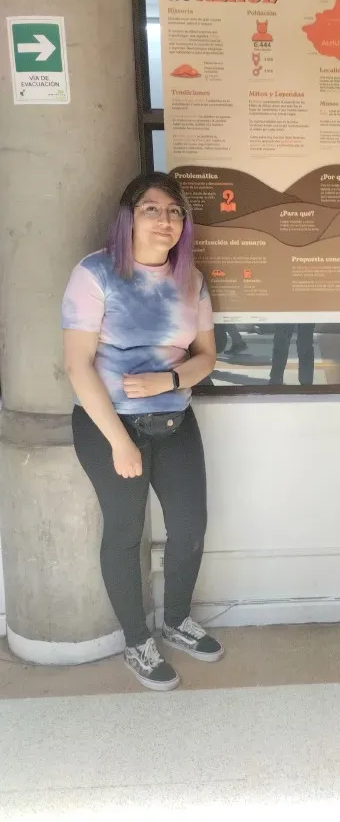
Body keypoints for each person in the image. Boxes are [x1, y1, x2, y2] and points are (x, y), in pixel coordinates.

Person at [62, 172, 224, 692]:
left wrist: (169, 380)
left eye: (175, 211)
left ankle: (176, 619)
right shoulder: (95, 273)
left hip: (175, 419)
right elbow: (77, 365)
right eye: (152, 209)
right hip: (109, 425)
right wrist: (119, 441)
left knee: (191, 526)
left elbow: (207, 357)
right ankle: (137, 639)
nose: (165, 220)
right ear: (128, 218)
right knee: (124, 533)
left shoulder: (190, 279)